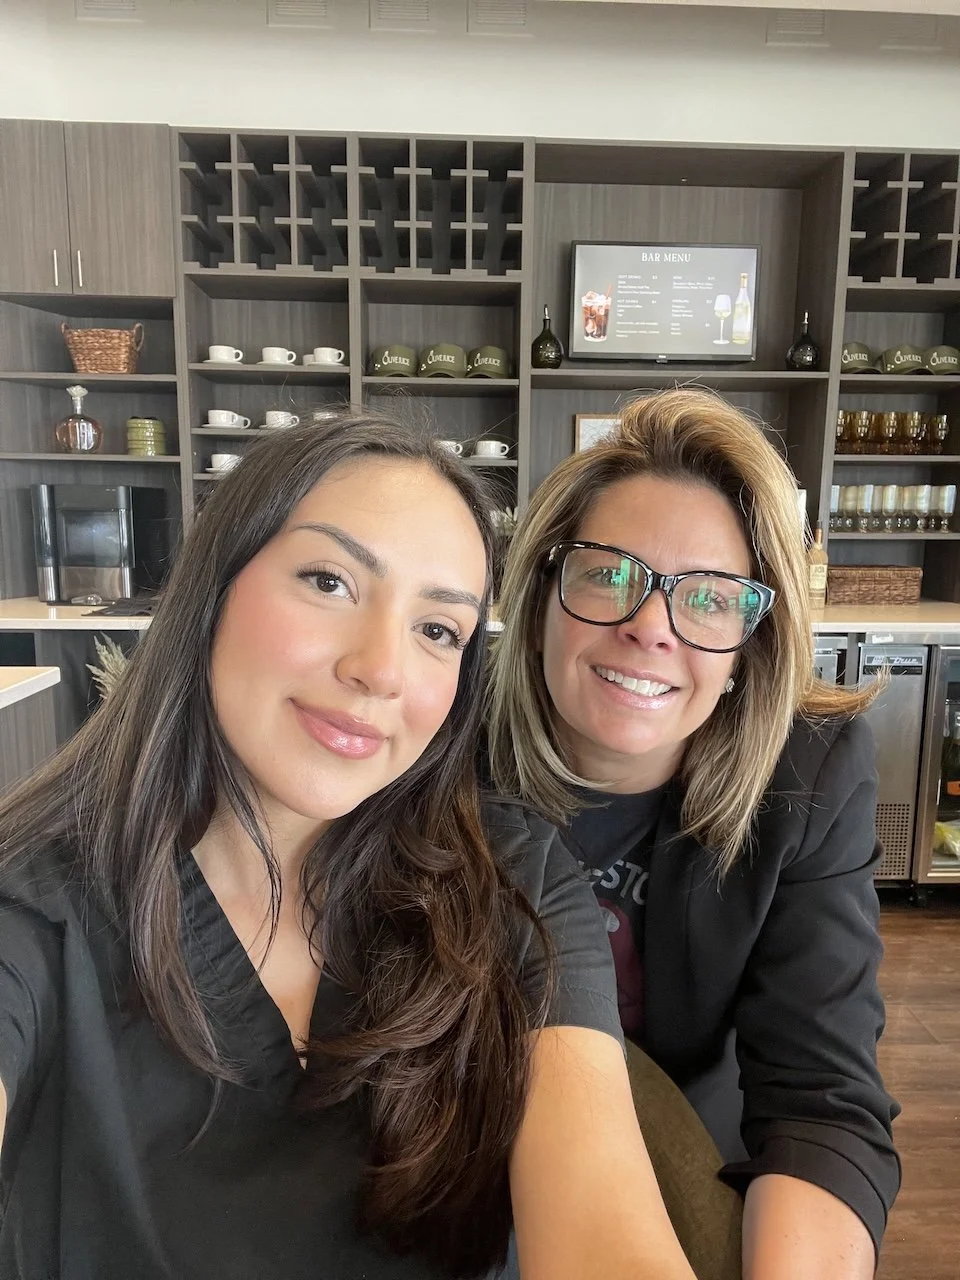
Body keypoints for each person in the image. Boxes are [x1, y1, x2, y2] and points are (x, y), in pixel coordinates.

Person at [0, 413, 697, 1280]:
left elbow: (604, 1223)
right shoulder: (35, 912)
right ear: (213, 587)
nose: (381, 669)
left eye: (437, 630)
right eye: (329, 581)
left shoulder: (512, 878)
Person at [487, 388, 900, 1280]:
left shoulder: (809, 775)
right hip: (463, 1143)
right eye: (608, 574)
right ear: (541, 593)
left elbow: (820, 1100)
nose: (649, 628)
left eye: (709, 598)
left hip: (683, 1147)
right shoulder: (442, 739)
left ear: (750, 644)